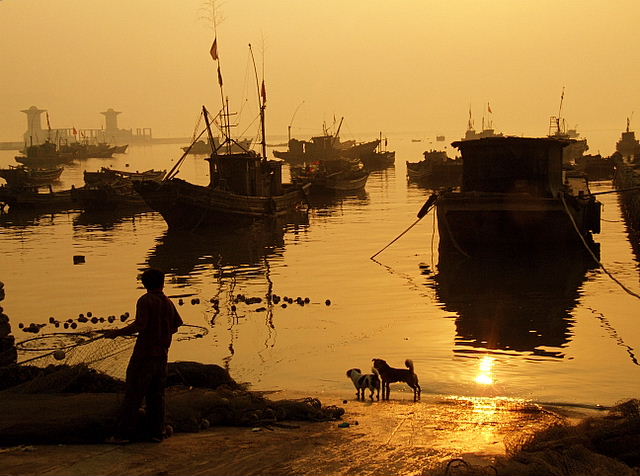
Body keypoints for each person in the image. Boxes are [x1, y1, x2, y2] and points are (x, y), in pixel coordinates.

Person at [103, 268, 183, 443]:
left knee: (133, 395)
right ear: (162, 282)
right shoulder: (168, 302)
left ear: (144, 284)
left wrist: (117, 333)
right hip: (162, 356)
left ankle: (122, 435)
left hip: (144, 355)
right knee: (157, 396)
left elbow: (140, 325)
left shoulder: (146, 300)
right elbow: (176, 326)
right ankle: (157, 433)